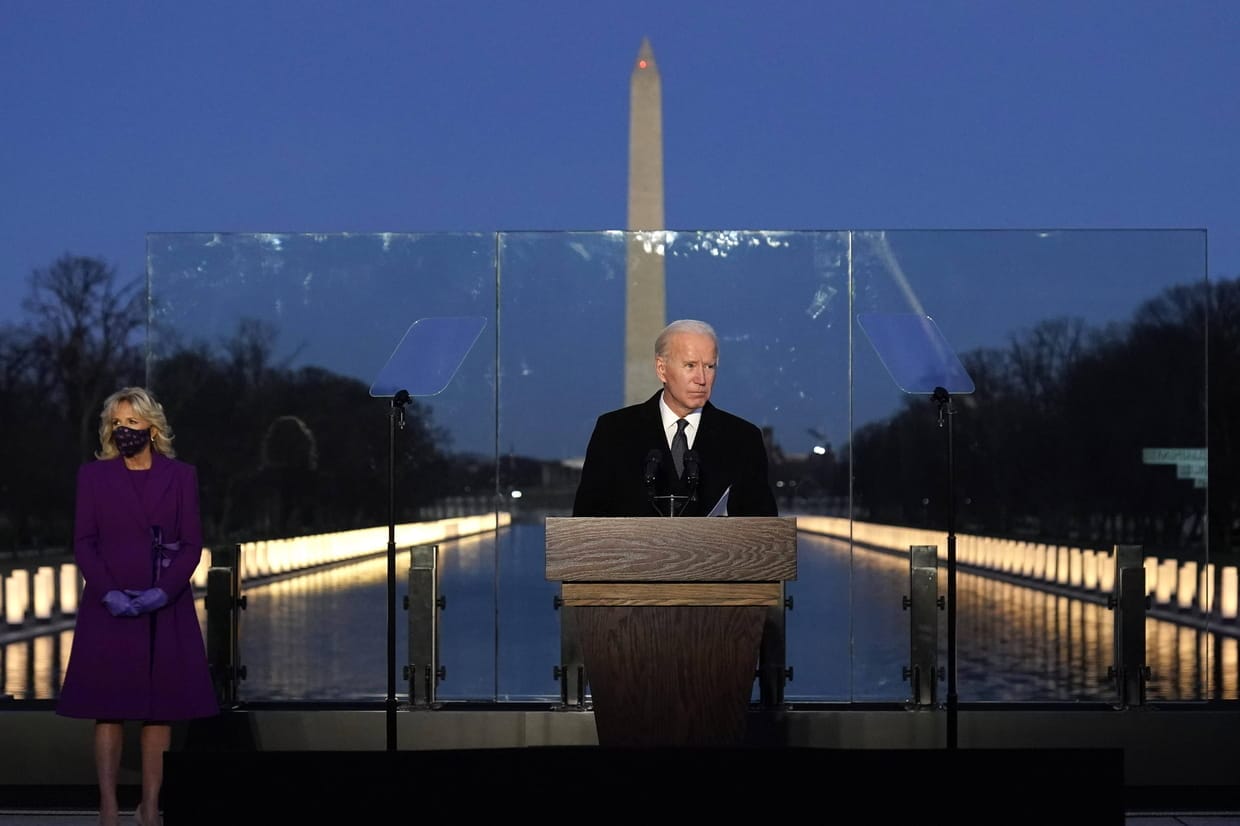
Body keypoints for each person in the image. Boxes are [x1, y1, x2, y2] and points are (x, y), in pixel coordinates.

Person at [57, 386, 218, 826]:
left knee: (159, 709)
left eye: (132, 422)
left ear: (152, 427)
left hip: (164, 606)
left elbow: (192, 544)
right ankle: (108, 808)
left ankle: (150, 807)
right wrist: (107, 591)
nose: (123, 430)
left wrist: (162, 592)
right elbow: (84, 542)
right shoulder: (93, 477)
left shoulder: (181, 476)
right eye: (116, 423)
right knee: (107, 707)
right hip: (108, 605)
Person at [573, 318, 778, 518]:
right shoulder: (613, 432)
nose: (701, 379)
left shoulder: (744, 439)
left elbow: (765, 530)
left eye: (709, 366)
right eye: (690, 365)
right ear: (661, 369)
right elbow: (585, 523)